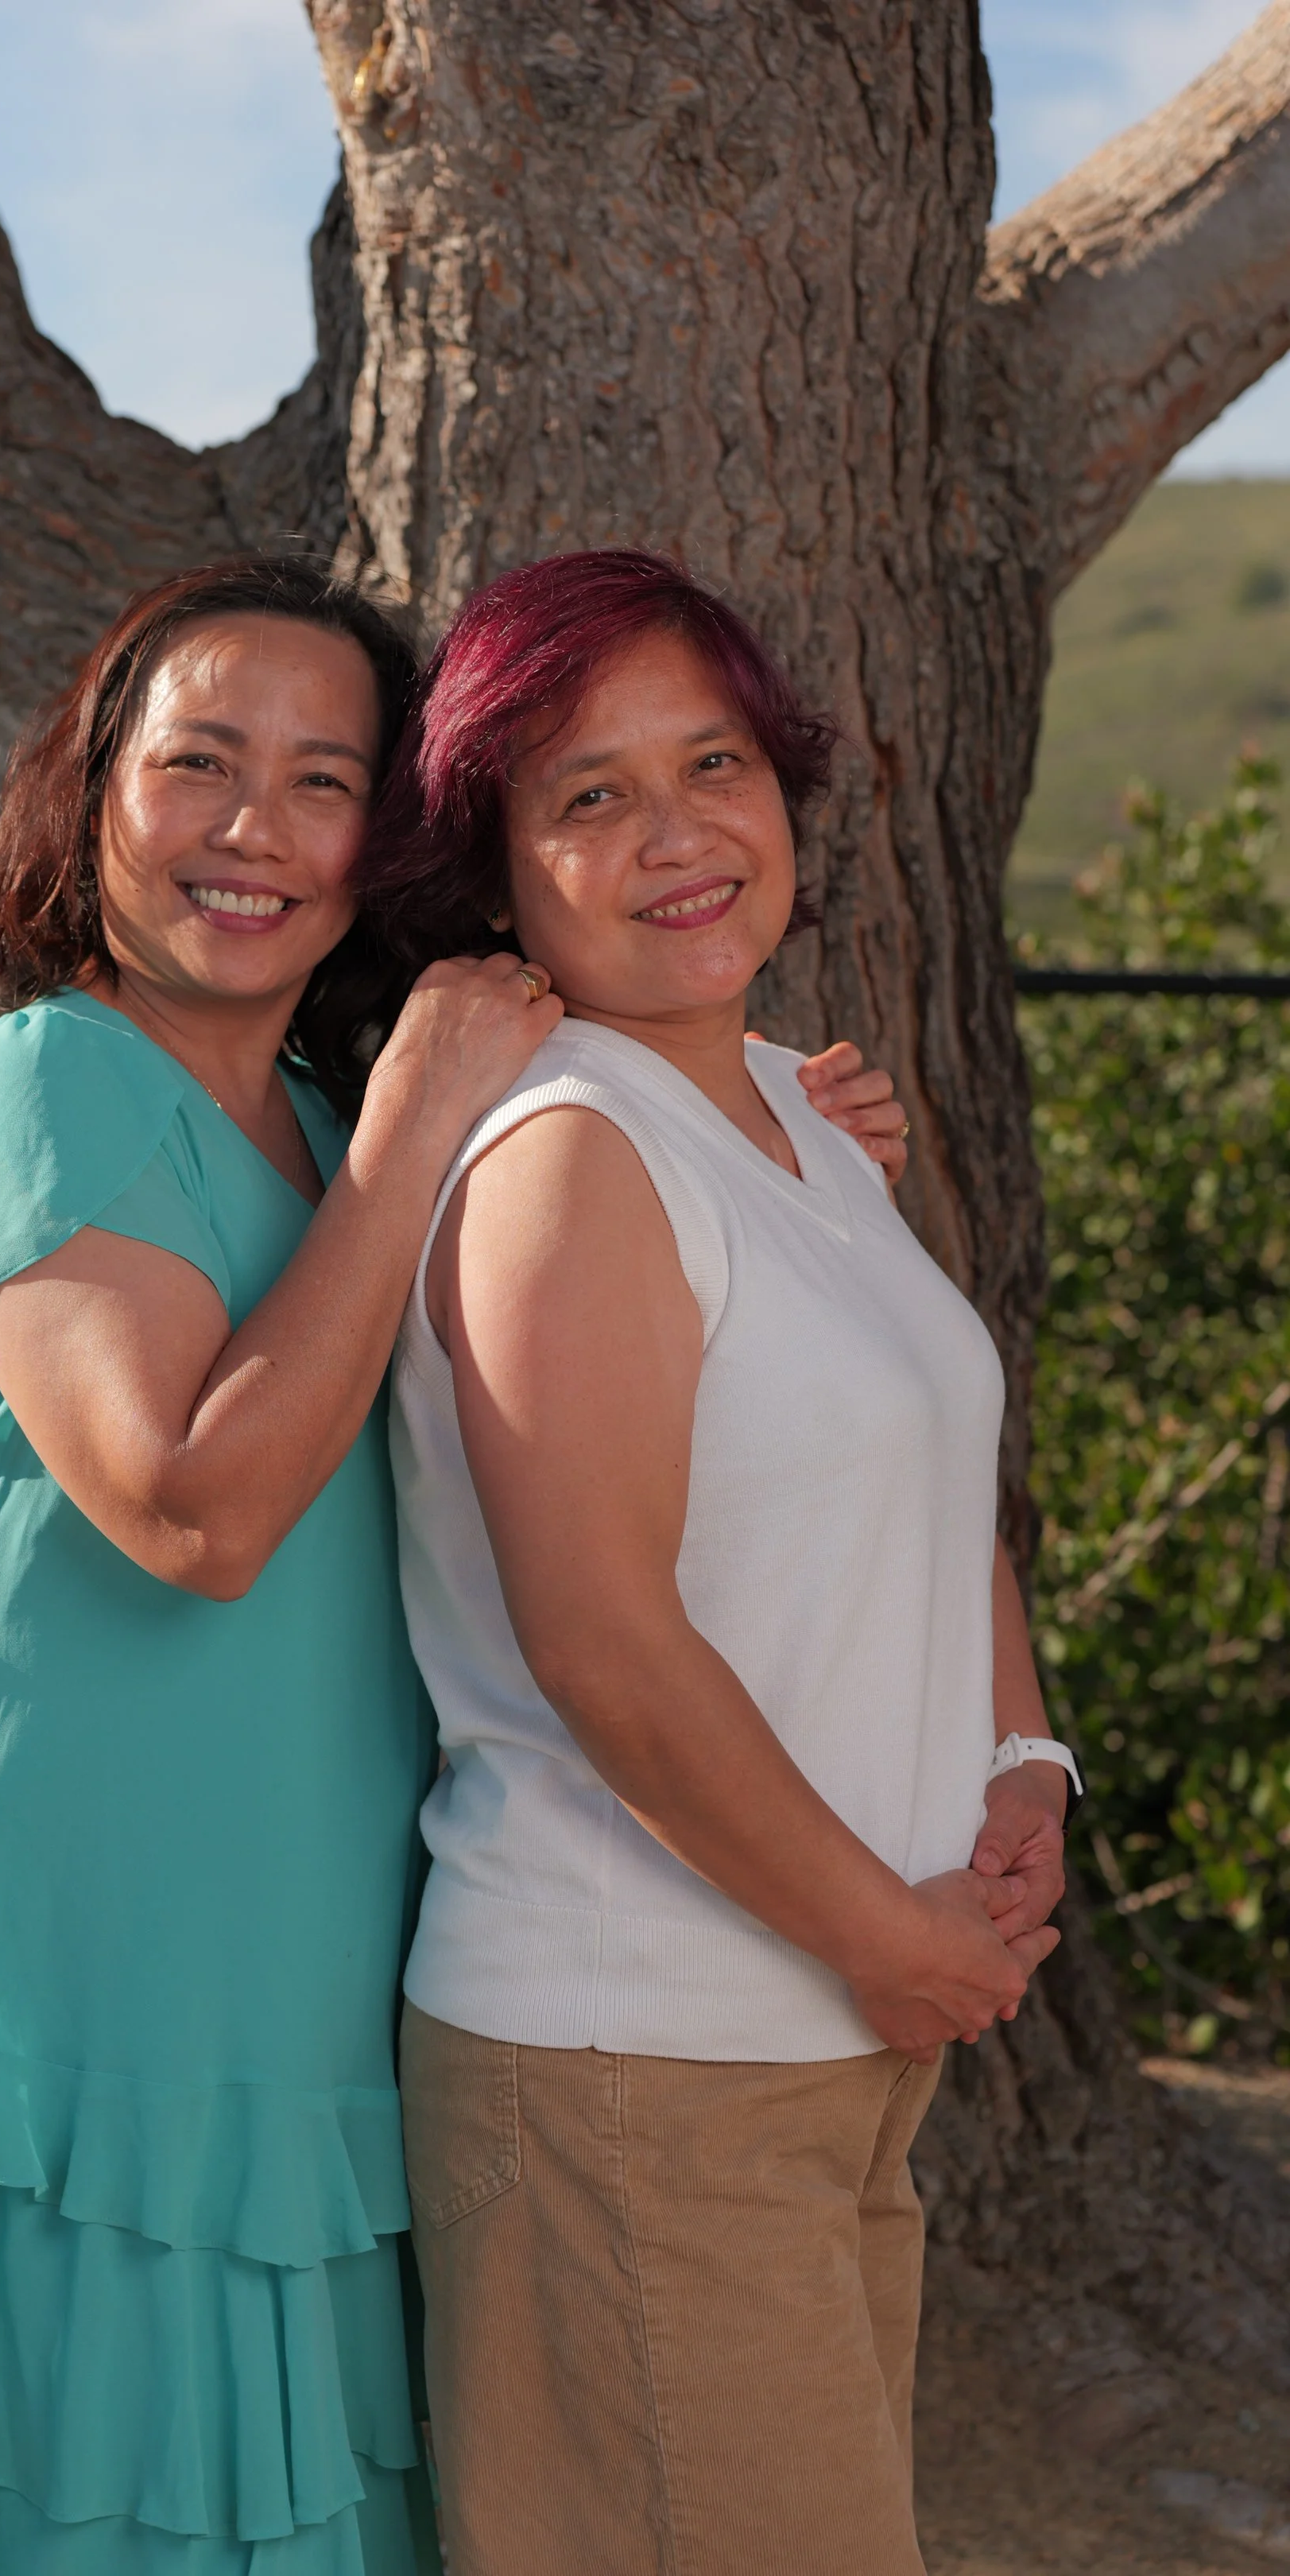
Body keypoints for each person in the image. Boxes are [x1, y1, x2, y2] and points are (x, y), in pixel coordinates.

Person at [0, 552, 911, 2576]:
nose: (253, 830)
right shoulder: (36, 1087)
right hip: (93, 2015)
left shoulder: (328, 1115)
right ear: (90, 789)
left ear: (383, 838)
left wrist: (795, 1146)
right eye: (200, 763)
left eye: (322, 781)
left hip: (330, 2001)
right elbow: (194, 1510)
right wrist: (413, 1127)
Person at [361, 549, 1078, 2576]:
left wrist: (1021, 1764)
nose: (679, 834)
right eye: (588, 796)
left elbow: (926, 1482)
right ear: (494, 870)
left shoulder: (786, 1102)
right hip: (641, 2051)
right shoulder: (569, 1152)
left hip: (825, 2041)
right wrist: (878, 1927)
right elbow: (603, 1643)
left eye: (717, 765)